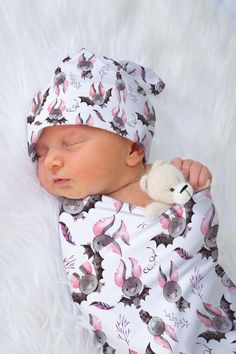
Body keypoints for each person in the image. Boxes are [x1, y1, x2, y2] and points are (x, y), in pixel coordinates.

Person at [27, 49, 236, 354]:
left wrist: (196, 191)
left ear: (133, 150)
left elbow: (198, 240)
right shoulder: (73, 216)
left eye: (70, 143)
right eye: (41, 153)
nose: (51, 162)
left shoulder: (163, 182)